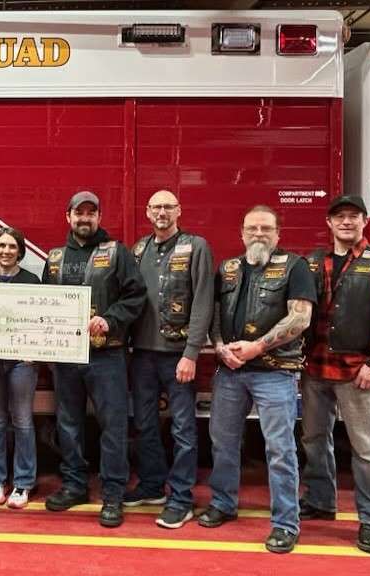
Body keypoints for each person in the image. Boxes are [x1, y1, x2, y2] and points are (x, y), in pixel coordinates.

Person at [199, 205, 316, 554]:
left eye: (266, 228)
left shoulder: (295, 267)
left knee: (280, 450)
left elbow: (301, 319)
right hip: (231, 371)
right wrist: (220, 346)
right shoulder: (229, 269)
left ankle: (285, 524)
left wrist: (256, 347)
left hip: (276, 373)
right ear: (242, 233)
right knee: (222, 443)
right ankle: (222, 503)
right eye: (252, 228)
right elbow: (216, 313)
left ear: (279, 234)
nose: (259, 234)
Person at [301, 195, 370, 554]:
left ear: (365, 221)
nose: (346, 222)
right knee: (314, 440)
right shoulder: (312, 262)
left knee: (369, 450)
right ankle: (320, 500)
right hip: (315, 369)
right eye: (340, 217)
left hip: (358, 372)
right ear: (329, 223)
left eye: (353, 216)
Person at [41, 191, 146, 528]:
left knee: (112, 426)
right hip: (66, 356)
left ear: (99, 217)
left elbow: (136, 295)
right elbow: (42, 305)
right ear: (67, 217)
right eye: (78, 213)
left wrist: (111, 319)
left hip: (107, 355)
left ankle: (113, 493)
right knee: (68, 423)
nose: (84, 218)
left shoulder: (117, 252)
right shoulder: (54, 258)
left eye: (91, 213)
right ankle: (74, 485)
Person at [127, 190, 214, 529]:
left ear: (179, 210)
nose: (162, 212)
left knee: (183, 429)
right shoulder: (138, 250)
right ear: (147, 212)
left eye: (168, 206)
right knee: (145, 424)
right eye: (156, 207)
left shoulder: (196, 247)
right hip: (143, 356)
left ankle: (181, 498)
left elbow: (204, 301)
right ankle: (152, 486)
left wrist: (192, 352)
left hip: (178, 356)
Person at [0, 227, 41, 510]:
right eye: (1, 246)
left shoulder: (32, 281)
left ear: (20, 251)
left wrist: (35, 352)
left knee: (23, 421)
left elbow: (41, 320)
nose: (6, 251)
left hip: (21, 362)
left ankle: (23, 483)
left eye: (12, 246)